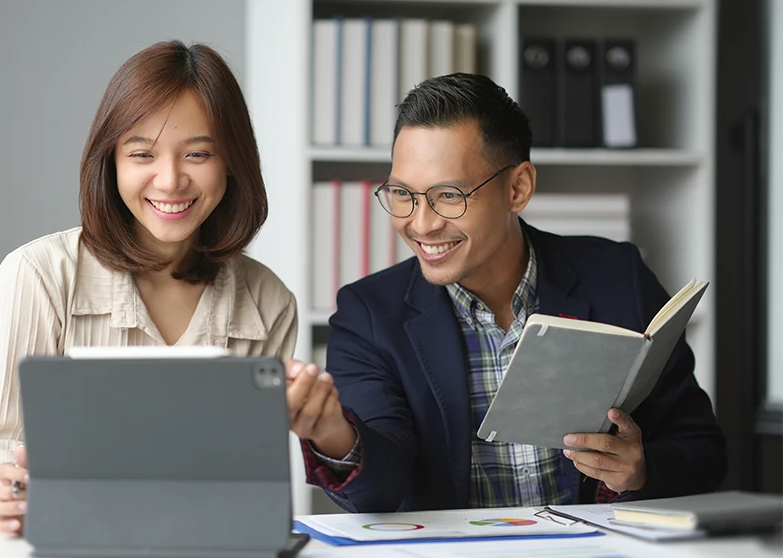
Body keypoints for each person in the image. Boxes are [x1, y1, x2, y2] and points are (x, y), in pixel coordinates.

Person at [284, 73, 726, 513]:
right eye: (403, 194)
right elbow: (380, 492)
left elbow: (703, 452)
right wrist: (332, 433)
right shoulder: (368, 315)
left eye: (449, 195)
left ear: (518, 188)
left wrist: (641, 469)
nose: (421, 224)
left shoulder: (618, 277)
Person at [0, 40, 301, 536]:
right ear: (112, 161)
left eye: (198, 154)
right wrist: (0, 484)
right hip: (70, 539)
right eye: (142, 153)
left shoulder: (269, 302)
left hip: (206, 541)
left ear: (232, 162)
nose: (170, 180)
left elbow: (252, 482)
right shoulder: (36, 274)